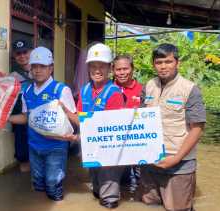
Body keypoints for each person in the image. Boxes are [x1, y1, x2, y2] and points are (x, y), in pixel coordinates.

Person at [138, 43, 206, 211]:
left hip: (179, 165)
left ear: (177, 63)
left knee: (179, 208)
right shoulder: (148, 86)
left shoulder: (189, 89)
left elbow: (197, 128)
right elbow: (140, 121)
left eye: (168, 61)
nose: (163, 66)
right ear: (153, 64)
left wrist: (175, 159)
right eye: (158, 62)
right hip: (150, 163)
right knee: (149, 204)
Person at [8, 46, 77, 201]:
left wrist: (75, 134)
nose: (38, 70)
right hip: (34, 147)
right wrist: (5, 118)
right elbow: (26, 118)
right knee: (38, 184)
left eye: (43, 67)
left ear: (51, 68)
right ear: (30, 69)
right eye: (34, 67)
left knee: (53, 184)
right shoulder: (26, 91)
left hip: (56, 147)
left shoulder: (61, 90)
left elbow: (74, 118)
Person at [77, 43, 125, 208]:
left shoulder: (114, 93)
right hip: (91, 148)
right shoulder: (84, 91)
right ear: (88, 67)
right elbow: (80, 118)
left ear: (110, 68)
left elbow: (111, 127)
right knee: (96, 189)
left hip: (109, 150)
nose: (97, 70)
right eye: (93, 66)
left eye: (102, 66)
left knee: (108, 196)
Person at [112, 55, 142, 195]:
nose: (122, 72)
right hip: (115, 143)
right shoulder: (108, 89)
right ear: (113, 70)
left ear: (132, 69)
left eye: (125, 68)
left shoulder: (143, 90)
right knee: (121, 180)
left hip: (137, 143)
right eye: (118, 69)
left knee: (141, 179)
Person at [11, 40, 33, 172]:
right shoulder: (12, 76)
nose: (22, 56)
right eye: (18, 53)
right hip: (21, 121)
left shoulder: (40, 70)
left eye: (25, 52)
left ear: (31, 52)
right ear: (14, 56)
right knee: (23, 156)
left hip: (40, 119)